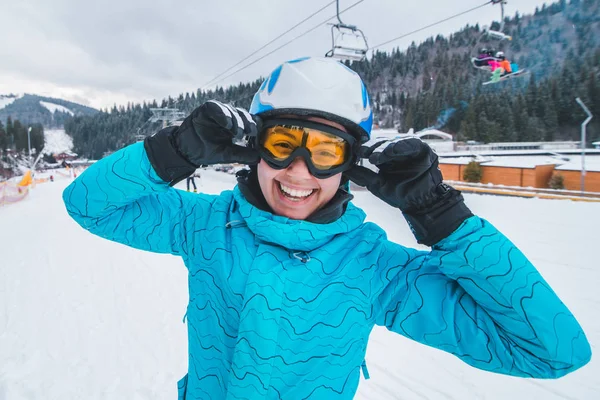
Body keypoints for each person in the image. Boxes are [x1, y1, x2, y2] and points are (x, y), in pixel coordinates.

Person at [62, 57, 590, 399]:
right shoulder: (208, 225)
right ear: (253, 149)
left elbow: (550, 349)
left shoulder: (374, 266)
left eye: (324, 152)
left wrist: (443, 218)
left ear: (349, 165)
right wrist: (174, 150)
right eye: (282, 144)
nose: (298, 171)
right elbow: (90, 205)